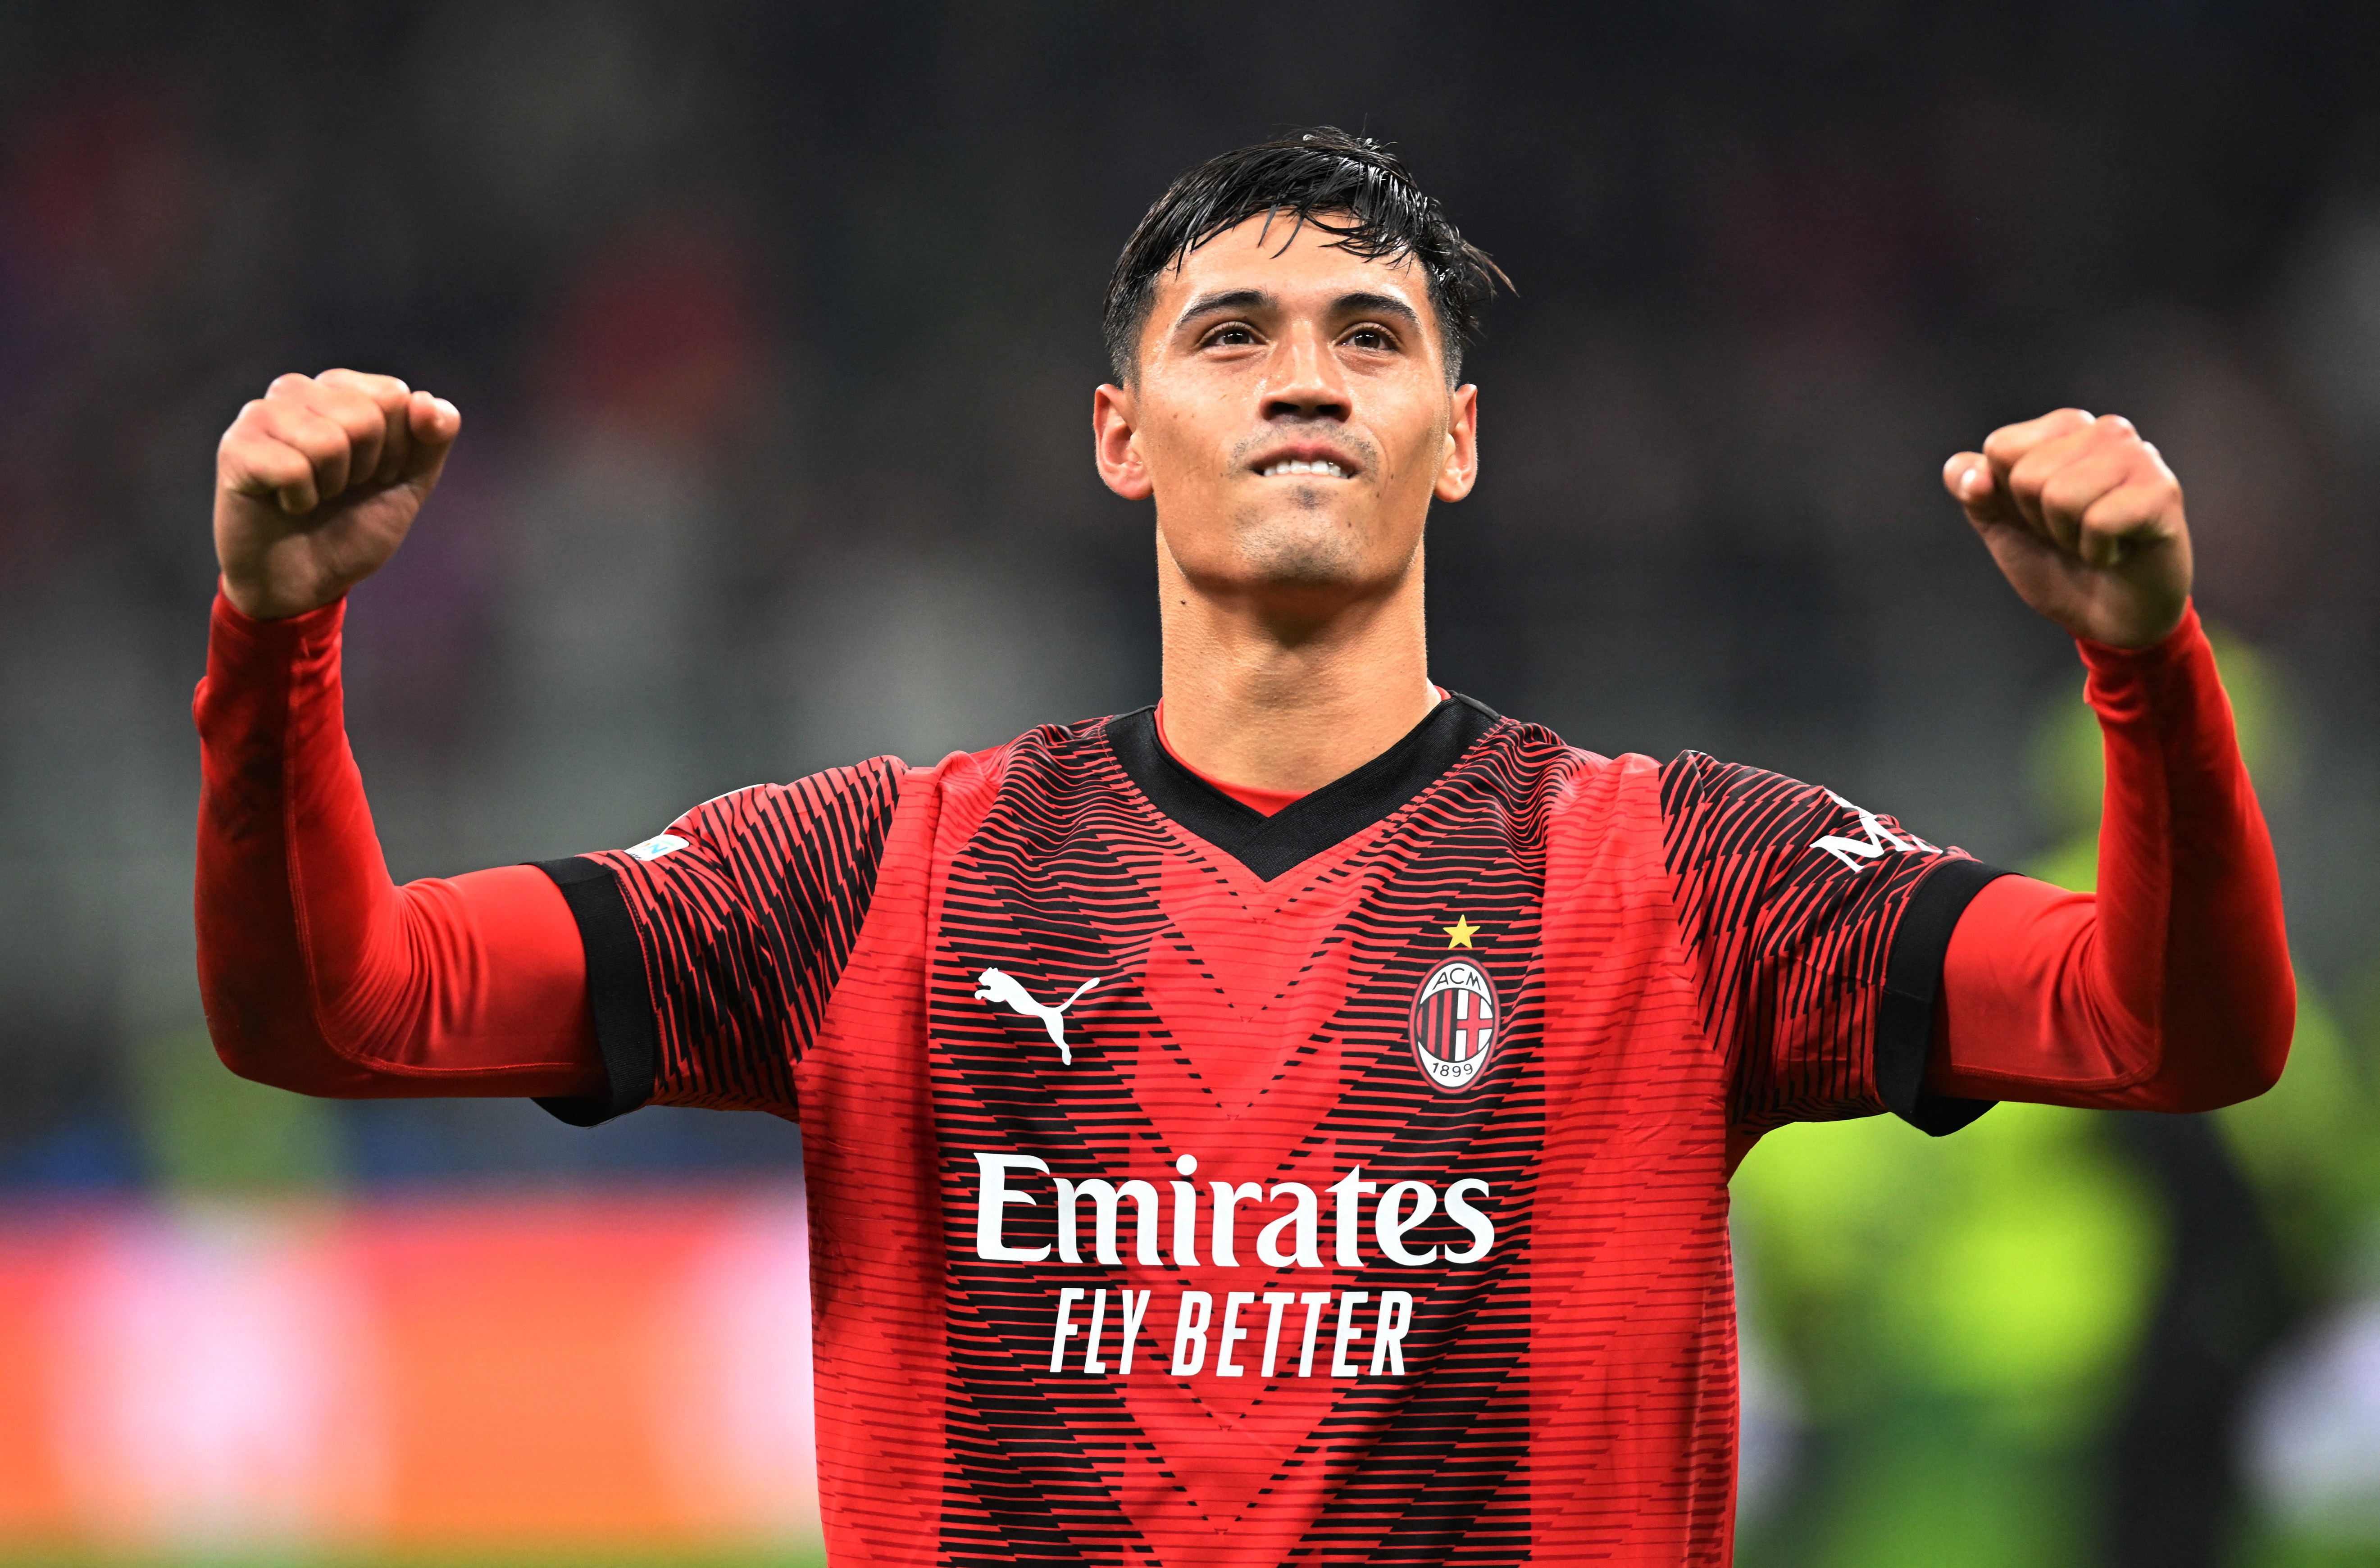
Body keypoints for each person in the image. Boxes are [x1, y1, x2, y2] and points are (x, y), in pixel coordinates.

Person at [192, 129, 2293, 1566]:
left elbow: (2169, 1030)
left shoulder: (1686, 878)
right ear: (1122, 433)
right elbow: (343, 1008)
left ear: (1456, 439)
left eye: (1372, 339)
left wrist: (2146, 667)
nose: (1307, 382)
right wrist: (279, 637)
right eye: (1232, 337)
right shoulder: (869, 881)